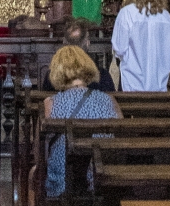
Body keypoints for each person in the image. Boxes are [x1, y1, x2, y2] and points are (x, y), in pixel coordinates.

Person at [44, 44, 122, 198]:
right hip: (102, 176)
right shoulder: (109, 100)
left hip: (65, 179)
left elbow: (45, 145)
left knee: (34, 174)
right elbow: (120, 135)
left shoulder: (51, 103)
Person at [111, 0, 170, 92]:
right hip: (160, 86)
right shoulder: (165, 16)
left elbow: (119, 49)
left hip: (132, 85)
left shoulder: (127, 13)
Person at [41, 19, 114, 92]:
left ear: (64, 43)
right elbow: (110, 100)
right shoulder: (101, 76)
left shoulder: (52, 76)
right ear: (87, 43)